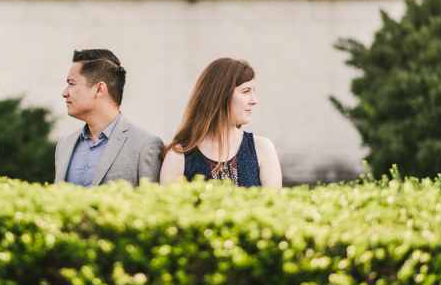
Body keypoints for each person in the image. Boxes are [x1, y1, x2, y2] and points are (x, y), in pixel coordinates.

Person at [160, 57, 282, 187]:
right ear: (220, 95)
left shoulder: (262, 148)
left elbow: (274, 206)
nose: (254, 100)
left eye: (253, 91)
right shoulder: (179, 156)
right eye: (246, 91)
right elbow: (169, 206)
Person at [55, 49, 163, 187]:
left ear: (99, 89)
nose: (64, 93)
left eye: (71, 83)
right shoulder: (64, 144)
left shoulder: (145, 145)